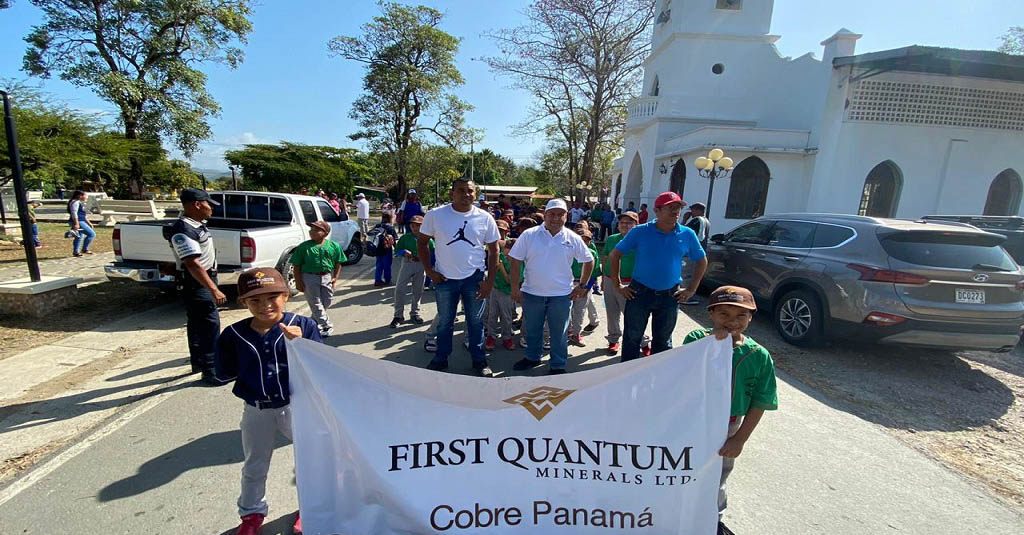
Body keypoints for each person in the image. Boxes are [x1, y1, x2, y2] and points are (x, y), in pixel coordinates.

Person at [217, 268, 322, 535]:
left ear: (286, 296)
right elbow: (223, 371)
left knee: (311, 460)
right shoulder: (234, 334)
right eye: (255, 300)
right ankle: (251, 514)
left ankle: (311, 507)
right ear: (244, 303)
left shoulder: (303, 325)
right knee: (255, 464)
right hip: (257, 409)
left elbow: (323, 368)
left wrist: (301, 345)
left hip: (296, 405)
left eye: (273, 296)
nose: (265, 305)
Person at [682, 286, 777, 535]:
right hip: (693, 421)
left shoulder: (758, 356)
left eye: (740, 316)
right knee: (683, 468)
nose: (732, 321)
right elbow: (680, 377)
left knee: (718, 474)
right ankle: (677, 512)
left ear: (751, 318)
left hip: (729, 425)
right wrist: (711, 344)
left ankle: (713, 520)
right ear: (711, 314)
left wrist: (739, 439)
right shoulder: (695, 341)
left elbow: (761, 401)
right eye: (723, 314)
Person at [608, 191, 707, 362]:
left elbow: (702, 260)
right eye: (671, 208)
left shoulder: (687, 234)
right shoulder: (640, 231)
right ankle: (627, 378)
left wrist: (692, 289)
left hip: (670, 295)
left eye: (678, 208)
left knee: (663, 341)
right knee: (632, 339)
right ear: (657, 211)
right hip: (639, 293)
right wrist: (617, 285)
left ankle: (657, 379)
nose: (676, 212)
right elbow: (615, 255)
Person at [417, 178, 500, 376]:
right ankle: (441, 359)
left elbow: (494, 250)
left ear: (475, 193)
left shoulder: (485, 217)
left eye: (470, 191)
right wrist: (430, 272)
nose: (466, 195)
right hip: (445, 280)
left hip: (474, 279)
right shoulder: (435, 215)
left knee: (476, 322)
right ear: (452, 193)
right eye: (461, 191)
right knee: (445, 322)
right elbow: (422, 244)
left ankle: (479, 361)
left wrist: (489, 282)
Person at [509, 199, 593, 375]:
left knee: (559, 334)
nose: (556, 218)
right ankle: (532, 357)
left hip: (561, 296)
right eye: (552, 214)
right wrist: (515, 288)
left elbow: (589, 260)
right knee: (532, 330)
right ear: (545, 215)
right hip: (532, 293)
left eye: (560, 214)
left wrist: (582, 285)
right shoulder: (529, 235)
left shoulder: (573, 238)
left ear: (566, 216)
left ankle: (557, 364)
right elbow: (515, 260)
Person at [166, 188, 227, 385]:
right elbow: (193, 263)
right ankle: (211, 370)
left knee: (198, 323)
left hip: (200, 280)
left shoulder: (195, 224)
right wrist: (213, 289)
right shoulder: (184, 229)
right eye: (208, 204)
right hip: (198, 282)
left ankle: (199, 362)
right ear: (197, 205)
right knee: (209, 325)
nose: (211, 209)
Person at [291, 221, 347, 337]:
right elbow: (296, 266)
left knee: (327, 301)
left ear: (325, 233)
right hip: (309, 277)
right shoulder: (304, 247)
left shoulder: (333, 246)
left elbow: (338, 263)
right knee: (315, 302)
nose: (312, 232)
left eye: (317, 230)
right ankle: (326, 325)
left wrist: (335, 277)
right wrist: (298, 281)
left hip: (326, 276)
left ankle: (312, 322)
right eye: (311, 229)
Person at [601, 211, 639, 354]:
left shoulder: (640, 240)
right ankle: (613, 340)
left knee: (631, 315)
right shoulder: (612, 239)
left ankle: (643, 341)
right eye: (622, 222)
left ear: (636, 225)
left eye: (629, 222)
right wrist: (604, 279)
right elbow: (605, 257)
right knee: (612, 312)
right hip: (610, 279)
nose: (625, 225)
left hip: (629, 283)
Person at [391, 215, 433, 328]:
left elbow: (434, 251)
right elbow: (396, 251)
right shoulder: (406, 238)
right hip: (408, 263)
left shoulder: (427, 238)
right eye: (413, 225)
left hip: (421, 264)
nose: (415, 228)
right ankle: (398, 315)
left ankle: (415, 313)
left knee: (418, 290)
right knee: (400, 289)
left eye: (418, 226)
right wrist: (403, 252)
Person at [568, 227, 601, 347]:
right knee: (566, 310)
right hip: (568, 283)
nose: (583, 242)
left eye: (586, 240)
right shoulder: (567, 251)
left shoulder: (591, 254)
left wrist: (586, 288)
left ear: (590, 242)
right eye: (581, 239)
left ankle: (576, 334)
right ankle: (568, 331)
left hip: (584, 285)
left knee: (579, 311)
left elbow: (594, 273)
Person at [487, 238, 520, 350]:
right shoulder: (500, 256)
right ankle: (491, 336)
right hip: (495, 289)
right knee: (492, 314)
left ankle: (506, 338)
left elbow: (510, 281)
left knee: (506, 316)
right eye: (505, 250)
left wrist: (502, 269)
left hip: (506, 292)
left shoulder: (518, 262)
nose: (506, 256)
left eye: (509, 253)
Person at [682, 202, 711, 305]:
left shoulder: (697, 220)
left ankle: (684, 297)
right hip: (699, 252)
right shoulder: (706, 221)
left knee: (686, 275)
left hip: (692, 252)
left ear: (698, 210)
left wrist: (684, 220)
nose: (691, 213)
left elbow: (683, 233)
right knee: (691, 274)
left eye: (693, 210)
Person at [67, 190, 96, 257]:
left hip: (81, 220)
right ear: (80, 196)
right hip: (78, 221)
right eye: (85, 195)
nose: (86, 197)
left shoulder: (78, 202)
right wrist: (76, 223)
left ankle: (76, 252)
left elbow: (82, 214)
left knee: (79, 236)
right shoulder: (75, 202)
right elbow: (74, 213)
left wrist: (89, 222)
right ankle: (85, 249)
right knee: (92, 234)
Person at [372, 213, 399, 286]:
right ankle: (387, 279)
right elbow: (393, 240)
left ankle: (377, 280)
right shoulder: (390, 227)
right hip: (387, 249)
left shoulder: (377, 226)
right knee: (387, 265)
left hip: (378, 248)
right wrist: (396, 249)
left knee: (379, 264)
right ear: (390, 219)